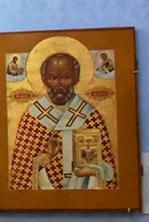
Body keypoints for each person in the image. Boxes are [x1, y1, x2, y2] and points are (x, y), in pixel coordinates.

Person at [8, 52, 116, 190]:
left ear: (76, 78)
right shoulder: (32, 117)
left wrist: (92, 171)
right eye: (53, 78)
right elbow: (21, 171)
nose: (59, 84)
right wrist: (48, 157)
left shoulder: (90, 115)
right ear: (44, 79)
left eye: (66, 77)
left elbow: (108, 169)